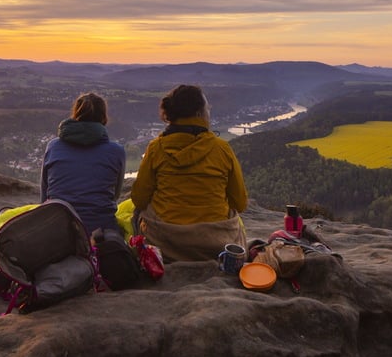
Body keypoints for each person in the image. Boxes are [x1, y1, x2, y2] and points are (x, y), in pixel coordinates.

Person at [130, 84, 248, 261]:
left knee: (136, 215)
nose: (209, 112)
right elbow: (239, 203)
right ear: (200, 114)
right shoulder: (222, 149)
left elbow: (139, 199)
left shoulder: (156, 148)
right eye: (207, 108)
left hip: (166, 243)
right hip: (215, 243)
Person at [41, 92, 126, 234]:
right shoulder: (116, 151)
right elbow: (115, 195)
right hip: (100, 231)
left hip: (58, 228)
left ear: (75, 114)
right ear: (104, 117)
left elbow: (45, 193)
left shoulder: (53, 146)